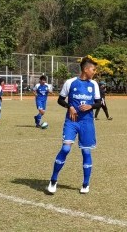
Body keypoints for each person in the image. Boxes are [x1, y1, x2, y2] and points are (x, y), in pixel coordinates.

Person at [47, 56, 102, 195]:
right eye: (93, 69)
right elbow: (60, 100)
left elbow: (99, 103)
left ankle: (85, 184)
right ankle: (53, 180)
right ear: (85, 69)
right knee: (65, 149)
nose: (94, 72)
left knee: (86, 152)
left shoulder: (94, 84)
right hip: (72, 122)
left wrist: (90, 106)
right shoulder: (70, 82)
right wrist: (69, 106)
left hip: (87, 123)